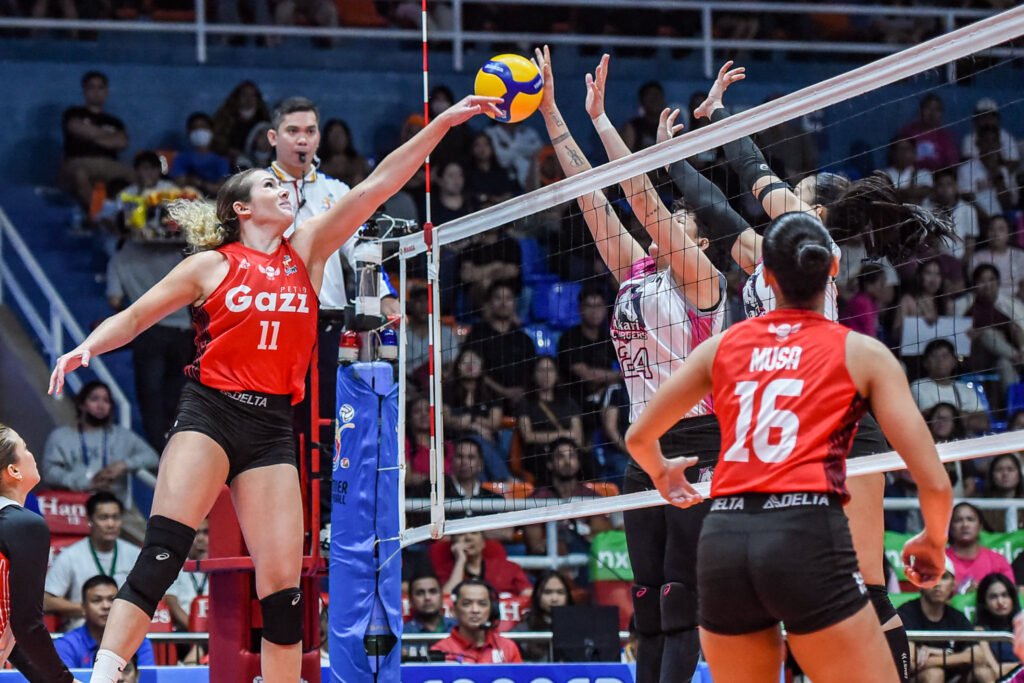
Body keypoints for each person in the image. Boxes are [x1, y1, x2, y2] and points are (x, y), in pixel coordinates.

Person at [47, 92, 500, 683]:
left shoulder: (307, 249)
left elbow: (378, 186)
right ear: (241, 208)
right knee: (161, 556)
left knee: (284, 591)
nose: (285, 189)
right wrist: (86, 347)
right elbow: (134, 319)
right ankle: (102, 677)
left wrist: (444, 121)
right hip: (210, 412)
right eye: (270, 185)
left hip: (271, 429)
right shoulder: (209, 266)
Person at [695, 60, 955, 681]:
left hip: (838, 422)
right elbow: (716, 209)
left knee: (865, 586)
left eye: (802, 184)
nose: (793, 187)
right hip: (798, 429)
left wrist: (721, 119)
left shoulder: (809, 232)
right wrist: (694, 137)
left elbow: (756, 173)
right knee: (808, 594)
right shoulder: (767, 256)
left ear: (813, 209)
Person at [625, 212, 953, 683]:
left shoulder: (724, 346)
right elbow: (934, 482)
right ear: (833, 271)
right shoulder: (860, 353)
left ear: (767, 278)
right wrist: (933, 541)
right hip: (804, 533)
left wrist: (662, 473)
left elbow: (639, 437)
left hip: (723, 541)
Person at [535, 46, 727, 683]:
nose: (661, 222)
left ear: (694, 237)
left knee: (679, 603)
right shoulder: (635, 275)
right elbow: (594, 196)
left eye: (675, 219)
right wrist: (557, 114)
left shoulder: (705, 282)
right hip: (642, 446)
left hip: (701, 444)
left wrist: (607, 125)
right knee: (645, 605)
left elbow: (641, 194)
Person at [0, 425, 79, 681]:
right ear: (13, 470)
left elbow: (14, 637)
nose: (32, 455)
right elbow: (27, 625)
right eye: (25, 447)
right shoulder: (24, 525)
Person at [107, 226, 194, 450]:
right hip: (184, 330)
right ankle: (177, 442)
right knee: (178, 388)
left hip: (147, 331)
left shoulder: (120, 258)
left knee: (150, 392)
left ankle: (158, 449)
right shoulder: (179, 253)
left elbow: (115, 300)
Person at [41, 381, 159, 505]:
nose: (101, 405)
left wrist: (124, 465)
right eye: (94, 399)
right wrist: (85, 482)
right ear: (81, 404)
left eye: (106, 400)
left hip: (113, 509)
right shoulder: (61, 436)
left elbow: (153, 458)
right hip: (73, 507)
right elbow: (50, 473)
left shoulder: (122, 435)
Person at [44, 492, 142, 630]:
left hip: (125, 630)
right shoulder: (71, 555)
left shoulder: (136, 554)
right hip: (81, 631)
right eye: (103, 518)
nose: (111, 524)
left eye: (116, 517)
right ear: (90, 520)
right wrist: (89, 609)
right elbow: (46, 601)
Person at [897, 558, 996, 683]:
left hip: (954, 677)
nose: (937, 584)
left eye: (943, 577)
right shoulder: (906, 613)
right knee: (934, 674)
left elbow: (979, 656)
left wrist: (939, 654)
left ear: (953, 585)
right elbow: (909, 664)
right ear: (919, 583)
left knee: (984, 672)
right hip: (915, 678)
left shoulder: (957, 617)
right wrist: (959, 657)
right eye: (930, 577)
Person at [58, 71, 131, 213]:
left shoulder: (114, 121)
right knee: (80, 174)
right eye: (91, 87)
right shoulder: (74, 113)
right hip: (78, 161)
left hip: (109, 164)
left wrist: (90, 135)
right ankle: (96, 216)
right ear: (84, 91)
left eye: (100, 87)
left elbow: (122, 142)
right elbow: (76, 128)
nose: (96, 92)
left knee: (136, 175)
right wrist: (109, 136)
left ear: (106, 91)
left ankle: (128, 221)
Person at [54, 576, 155, 669]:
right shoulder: (66, 645)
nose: (106, 606)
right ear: (84, 608)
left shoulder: (139, 642)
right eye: (96, 600)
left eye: (112, 599)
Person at [515, 357, 584, 481]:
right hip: (539, 453)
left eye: (550, 370)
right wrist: (563, 434)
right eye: (541, 370)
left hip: (567, 450)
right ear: (534, 375)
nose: (546, 375)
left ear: (557, 375)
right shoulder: (525, 403)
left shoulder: (569, 403)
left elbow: (577, 437)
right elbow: (528, 436)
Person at [431, 578, 522, 663]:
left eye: (482, 604)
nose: (475, 610)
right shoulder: (440, 651)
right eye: (467, 604)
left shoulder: (508, 647)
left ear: (491, 609)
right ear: (454, 610)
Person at [947, 501, 1015, 593]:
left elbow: (1010, 595)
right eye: (958, 520)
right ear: (950, 527)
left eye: (970, 519)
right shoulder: (940, 561)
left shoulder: (998, 561)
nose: (965, 525)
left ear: (980, 526)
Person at [437, 531, 530, 597]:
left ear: (483, 542)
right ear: (453, 543)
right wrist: (460, 560)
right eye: (461, 534)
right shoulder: (445, 571)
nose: (468, 538)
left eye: (474, 533)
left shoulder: (509, 568)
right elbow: (446, 600)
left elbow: (528, 595)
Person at [511, 571, 573, 662]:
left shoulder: (579, 627)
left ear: (568, 596)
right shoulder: (523, 630)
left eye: (560, 592)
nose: (554, 599)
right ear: (537, 595)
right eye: (548, 592)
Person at [973, 572, 1023, 680]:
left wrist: (1007, 667)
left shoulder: (1021, 625)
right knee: (982, 672)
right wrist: (1015, 667)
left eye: (1004, 595)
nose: (1000, 602)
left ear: (1012, 598)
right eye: (993, 597)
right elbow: (996, 669)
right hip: (998, 678)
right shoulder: (980, 631)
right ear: (984, 602)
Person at [164, 518, 210, 631]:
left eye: (206, 532)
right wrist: (196, 631)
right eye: (196, 533)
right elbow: (170, 601)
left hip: (214, 631)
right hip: (185, 631)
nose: (200, 539)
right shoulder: (175, 565)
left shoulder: (220, 568)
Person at [170, 112, 230, 198]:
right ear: (188, 133)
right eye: (194, 128)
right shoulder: (181, 158)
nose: (199, 131)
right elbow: (179, 183)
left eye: (203, 127)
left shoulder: (221, 161)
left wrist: (199, 183)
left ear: (212, 131)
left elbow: (221, 189)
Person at [897, 93, 959, 173]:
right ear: (920, 110)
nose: (932, 113)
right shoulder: (908, 132)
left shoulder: (946, 137)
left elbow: (952, 165)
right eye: (928, 108)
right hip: (911, 177)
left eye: (937, 109)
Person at [402, 573, 457, 661]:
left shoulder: (459, 628)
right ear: (410, 601)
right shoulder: (403, 635)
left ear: (442, 596)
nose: (427, 597)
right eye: (420, 593)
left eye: (433, 591)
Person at [981, 454, 1024, 532]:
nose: (1005, 474)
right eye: (999, 470)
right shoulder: (981, 506)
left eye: (1010, 469)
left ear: (1019, 474)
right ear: (992, 475)